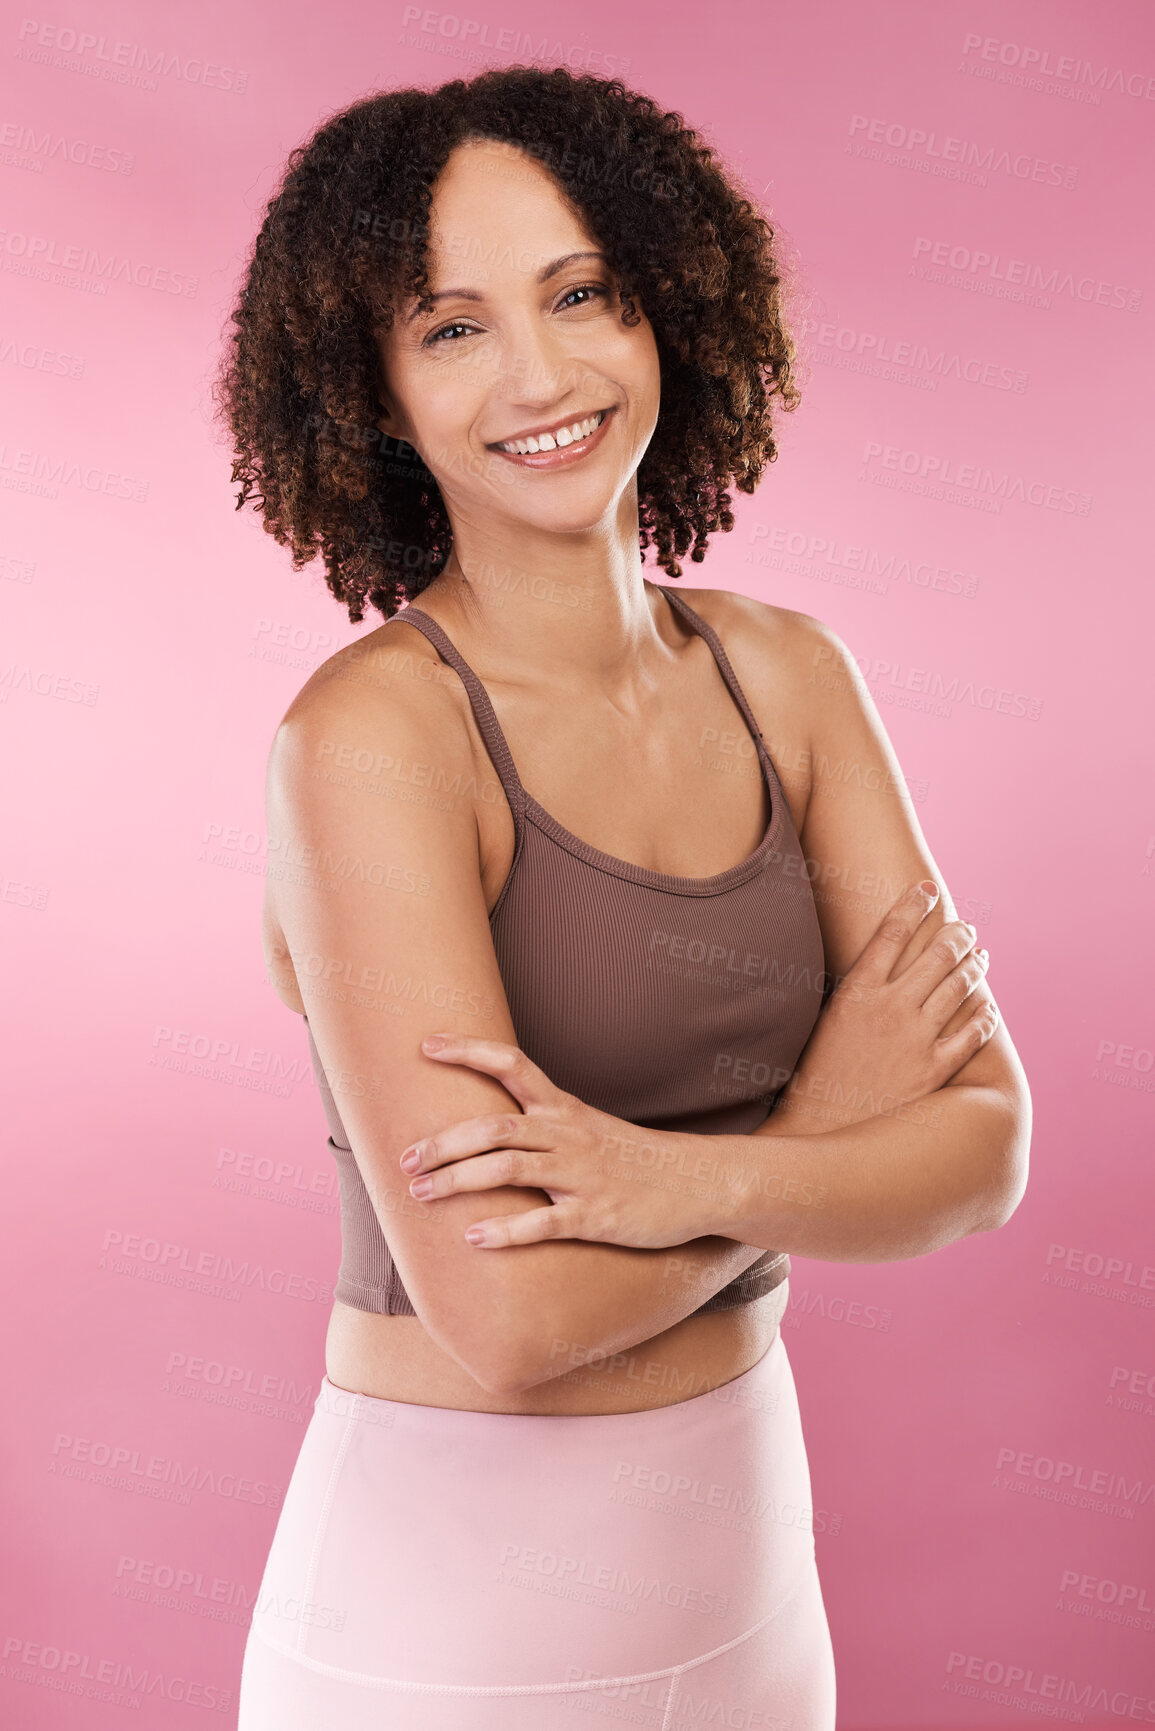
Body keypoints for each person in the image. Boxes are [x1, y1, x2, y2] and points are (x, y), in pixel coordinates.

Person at [216, 64, 1031, 1729]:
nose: (540, 373)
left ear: (665, 307)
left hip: (751, 1596)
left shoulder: (789, 676)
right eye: (452, 328)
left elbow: (984, 1147)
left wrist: (659, 1178)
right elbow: (507, 1319)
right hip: (445, 1631)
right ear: (370, 388)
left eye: (581, 293)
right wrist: (824, 1138)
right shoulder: (369, 738)